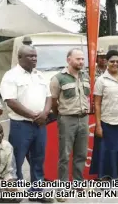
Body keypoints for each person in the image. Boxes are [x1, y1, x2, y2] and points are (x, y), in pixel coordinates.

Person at [0, 45, 53, 203]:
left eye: (35, 56)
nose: (34, 59)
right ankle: (17, 191)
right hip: (21, 125)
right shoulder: (11, 76)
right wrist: (33, 115)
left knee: (38, 158)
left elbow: (49, 97)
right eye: (30, 56)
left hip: (40, 125)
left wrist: (44, 114)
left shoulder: (40, 75)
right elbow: (11, 101)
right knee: (17, 159)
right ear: (20, 58)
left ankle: (37, 191)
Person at [50, 48, 90, 202]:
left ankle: (78, 183)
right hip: (67, 119)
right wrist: (61, 114)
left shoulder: (85, 76)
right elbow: (54, 102)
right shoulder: (58, 78)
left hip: (84, 118)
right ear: (68, 60)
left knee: (81, 154)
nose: (81, 62)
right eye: (78, 59)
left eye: (82, 59)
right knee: (65, 155)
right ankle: (62, 188)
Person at [89, 50, 118, 182]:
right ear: (107, 63)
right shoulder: (101, 80)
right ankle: (106, 176)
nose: (115, 64)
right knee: (107, 150)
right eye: (112, 61)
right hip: (107, 121)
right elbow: (96, 104)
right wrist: (98, 125)